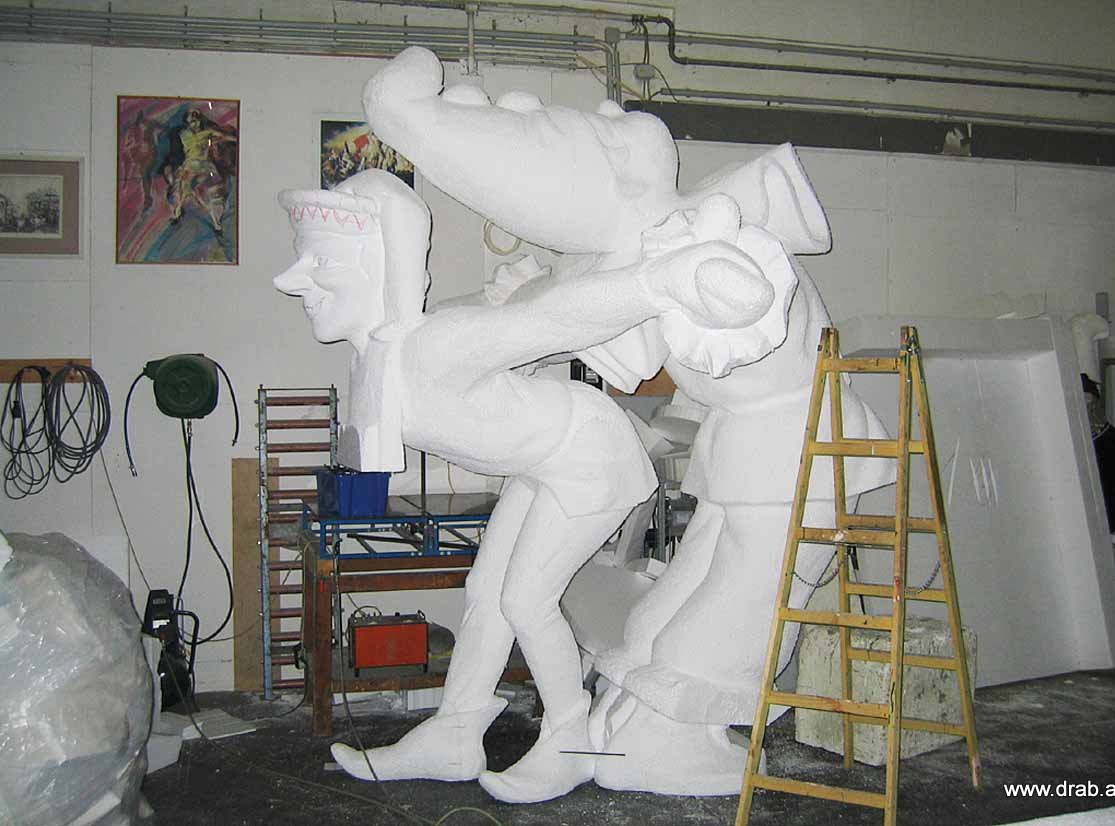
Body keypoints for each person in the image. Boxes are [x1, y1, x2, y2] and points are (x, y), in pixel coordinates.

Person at [360, 45, 894, 795]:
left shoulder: (710, 243)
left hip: (799, 459)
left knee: (708, 638)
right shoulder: (653, 253)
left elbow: (672, 323)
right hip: (740, 459)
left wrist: (562, 307)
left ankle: (654, 744)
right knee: (647, 632)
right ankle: (606, 735)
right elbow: (583, 323)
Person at [273, 168, 775, 802]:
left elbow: (554, 320)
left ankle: (571, 739)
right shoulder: (384, 354)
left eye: (321, 263)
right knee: (486, 590)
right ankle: (456, 733)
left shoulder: (434, 348)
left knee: (524, 600)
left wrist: (659, 281)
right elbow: (513, 314)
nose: (293, 281)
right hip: (544, 460)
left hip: (588, 455)